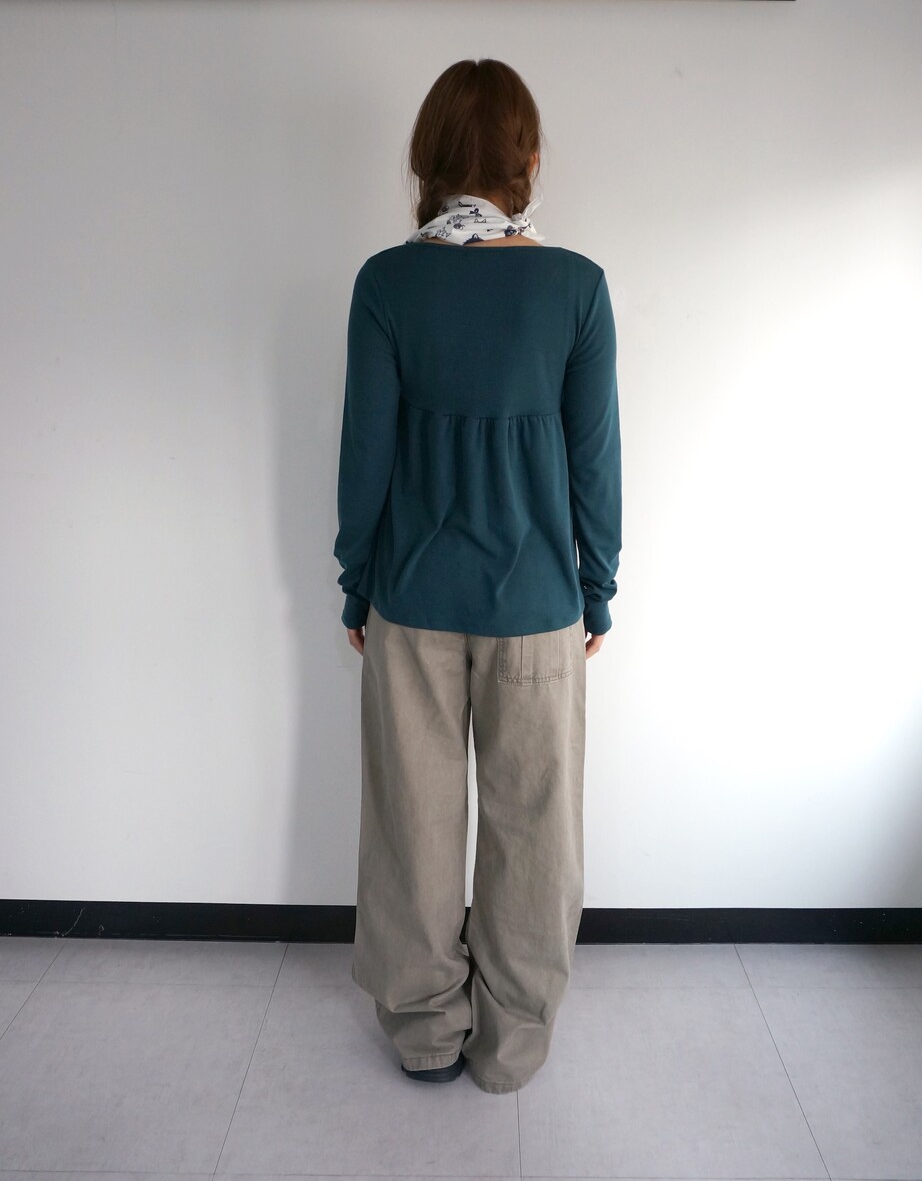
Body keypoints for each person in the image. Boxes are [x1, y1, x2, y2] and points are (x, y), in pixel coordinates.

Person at [333, 58, 622, 1095]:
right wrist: (598, 587)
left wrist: (356, 580)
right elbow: (595, 460)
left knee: (411, 828)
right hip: (539, 608)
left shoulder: (386, 284)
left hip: (412, 604)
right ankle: (512, 1045)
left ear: (426, 160)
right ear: (528, 160)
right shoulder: (576, 287)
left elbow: (365, 455)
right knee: (534, 834)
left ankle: (423, 1034)